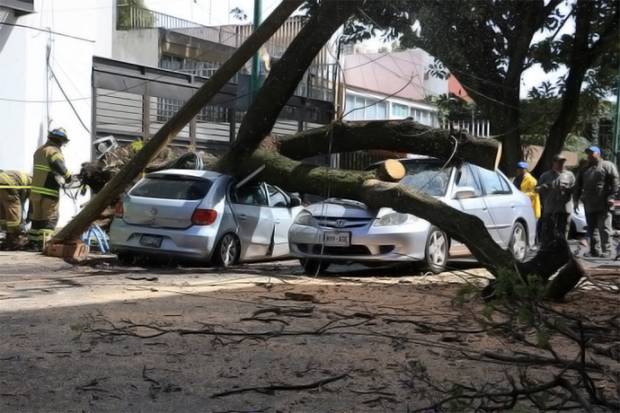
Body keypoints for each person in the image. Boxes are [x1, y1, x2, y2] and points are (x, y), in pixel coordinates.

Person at [28, 128, 73, 249]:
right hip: (49, 192)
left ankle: (33, 244)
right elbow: (59, 166)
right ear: (60, 140)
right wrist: (69, 177)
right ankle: (44, 244)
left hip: (36, 192)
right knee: (49, 219)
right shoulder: (53, 151)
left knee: (37, 219)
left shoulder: (39, 151)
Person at [573, 145, 620, 258]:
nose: (589, 155)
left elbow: (616, 182)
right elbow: (577, 186)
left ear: (598, 153)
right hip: (589, 203)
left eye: (591, 153)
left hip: (603, 203)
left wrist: (612, 197)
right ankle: (594, 250)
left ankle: (607, 250)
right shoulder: (585, 169)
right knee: (591, 228)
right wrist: (575, 201)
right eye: (588, 153)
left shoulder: (607, 165)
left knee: (604, 227)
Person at [536, 154, 575, 248]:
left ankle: (562, 250)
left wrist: (568, 189)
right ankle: (546, 249)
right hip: (550, 208)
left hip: (564, 208)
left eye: (563, 162)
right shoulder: (545, 175)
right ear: (553, 163)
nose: (561, 164)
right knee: (547, 230)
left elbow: (576, 189)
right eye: (559, 162)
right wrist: (544, 187)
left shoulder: (569, 175)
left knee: (563, 231)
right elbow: (536, 189)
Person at [0, 170, 31, 249]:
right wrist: (27, 218)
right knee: (14, 211)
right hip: (8, 183)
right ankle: (15, 238)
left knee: (3, 211)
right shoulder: (33, 183)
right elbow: (30, 205)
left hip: (3, 182)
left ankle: (8, 237)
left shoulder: (24, 178)